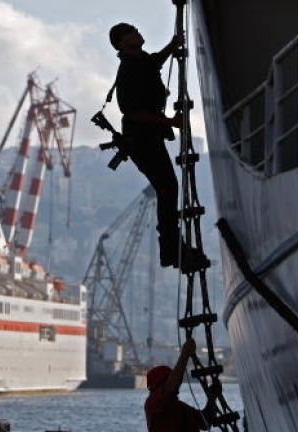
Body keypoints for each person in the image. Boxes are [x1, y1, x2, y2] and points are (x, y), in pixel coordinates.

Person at [108, 22, 195, 269]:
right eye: (131, 31)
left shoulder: (140, 61)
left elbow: (154, 62)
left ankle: (171, 247)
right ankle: (170, 248)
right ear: (122, 43)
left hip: (148, 137)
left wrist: (171, 46)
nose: (138, 31)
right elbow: (133, 112)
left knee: (167, 187)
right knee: (167, 187)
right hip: (142, 139)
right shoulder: (127, 70)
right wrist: (169, 120)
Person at [144, 337, 221, 432]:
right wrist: (185, 354)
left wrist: (212, 398)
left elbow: (205, 422)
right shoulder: (152, 403)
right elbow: (171, 387)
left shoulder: (180, 408)